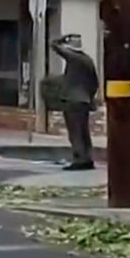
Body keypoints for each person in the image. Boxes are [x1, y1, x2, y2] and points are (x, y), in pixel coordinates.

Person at [49, 34, 98, 171]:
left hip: (72, 100)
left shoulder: (73, 58)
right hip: (84, 100)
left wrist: (62, 38)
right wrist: (88, 95)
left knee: (75, 131)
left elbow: (54, 45)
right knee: (84, 131)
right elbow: (94, 82)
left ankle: (79, 159)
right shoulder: (88, 60)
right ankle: (88, 158)